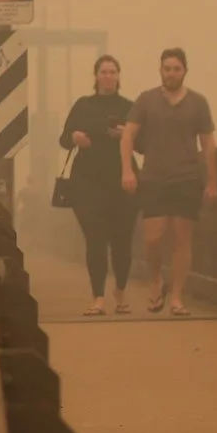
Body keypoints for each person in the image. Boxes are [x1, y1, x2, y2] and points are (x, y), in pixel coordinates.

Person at [120, 47, 217, 316]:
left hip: (187, 178)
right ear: (160, 70)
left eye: (176, 68)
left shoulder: (198, 103)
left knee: (181, 239)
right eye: (167, 68)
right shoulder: (146, 100)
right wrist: (127, 170)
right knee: (153, 238)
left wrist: (212, 181)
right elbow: (128, 136)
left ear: (185, 71)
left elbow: (208, 144)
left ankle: (176, 296)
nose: (171, 73)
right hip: (153, 178)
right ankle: (155, 281)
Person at [58, 55, 138, 315]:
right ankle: (98, 298)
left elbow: (143, 142)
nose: (108, 76)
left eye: (113, 71)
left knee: (122, 241)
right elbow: (64, 138)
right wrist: (74, 136)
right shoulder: (83, 105)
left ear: (119, 76)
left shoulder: (130, 107)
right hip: (87, 182)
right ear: (95, 76)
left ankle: (121, 292)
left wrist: (124, 135)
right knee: (95, 239)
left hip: (122, 180)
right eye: (103, 71)